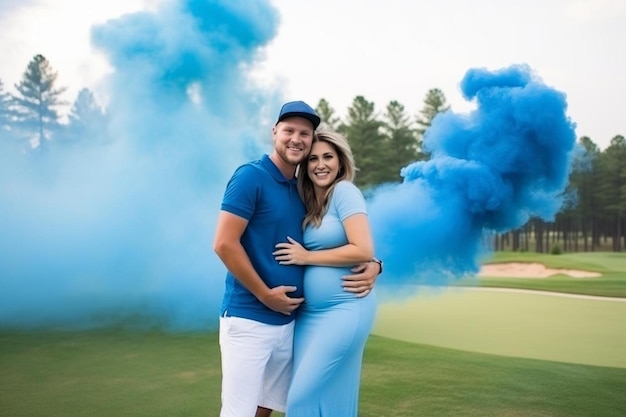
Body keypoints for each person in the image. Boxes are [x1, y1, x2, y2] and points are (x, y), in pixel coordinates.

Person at [213, 101, 382, 417]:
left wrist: (375, 263)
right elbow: (224, 243)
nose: (297, 139)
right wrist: (265, 295)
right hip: (250, 316)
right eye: (289, 130)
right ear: (274, 131)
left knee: (271, 405)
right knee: (241, 411)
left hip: (291, 320)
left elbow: (351, 241)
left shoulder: (303, 191)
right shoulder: (251, 176)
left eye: (305, 133)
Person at [273, 127, 379, 416]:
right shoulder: (306, 201)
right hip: (309, 317)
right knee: (329, 399)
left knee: (299, 399)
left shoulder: (345, 192)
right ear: (304, 165)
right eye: (313, 159)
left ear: (340, 161)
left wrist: (307, 256)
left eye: (328, 157)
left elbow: (363, 249)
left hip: (345, 309)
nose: (320, 164)